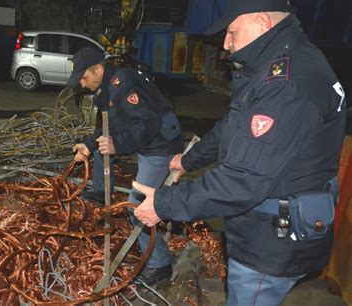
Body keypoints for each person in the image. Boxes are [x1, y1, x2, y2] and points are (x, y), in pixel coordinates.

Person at [133, 0, 347, 304]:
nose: (226, 43)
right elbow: (233, 126)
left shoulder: (286, 84)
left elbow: (242, 181)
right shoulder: (279, 63)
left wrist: (164, 204)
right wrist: (189, 159)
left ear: (261, 21)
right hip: (271, 229)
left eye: (232, 32)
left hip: (270, 243)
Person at [68, 47, 184, 285]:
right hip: (146, 141)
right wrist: (90, 145)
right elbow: (109, 126)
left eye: (84, 76)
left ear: (98, 69)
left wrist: (117, 144)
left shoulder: (123, 85)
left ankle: (159, 265)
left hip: (159, 144)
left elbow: (149, 123)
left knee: (137, 205)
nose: (81, 82)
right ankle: (101, 191)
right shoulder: (106, 88)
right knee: (103, 149)